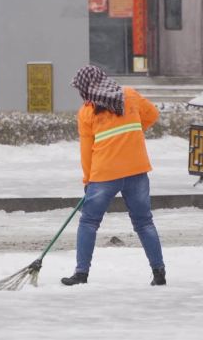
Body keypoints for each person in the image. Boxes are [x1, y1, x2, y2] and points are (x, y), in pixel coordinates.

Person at [61, 65, 166, 287]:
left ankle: (81, 274)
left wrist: (87, 181)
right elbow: (153, 115)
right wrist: (133, 134)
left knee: (89, 222)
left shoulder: (87, 111)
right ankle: (159, 272)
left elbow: (86, 151)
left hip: (104, 174)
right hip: (136, 169)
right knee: (144, 222)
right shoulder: (129, 95)